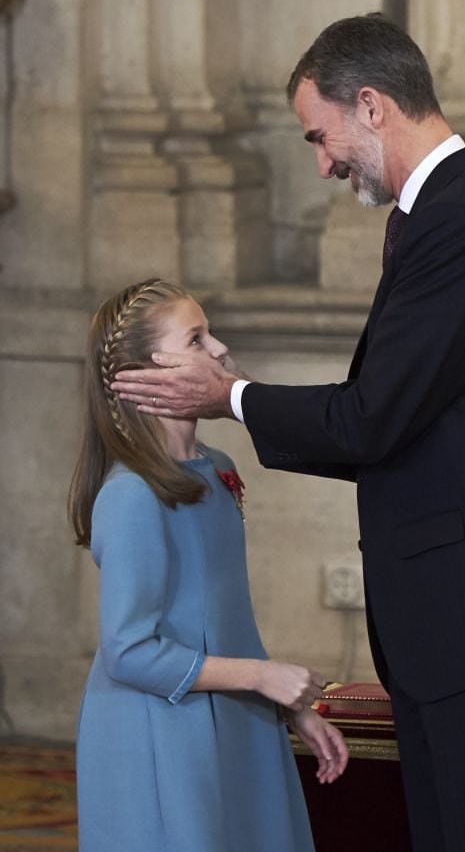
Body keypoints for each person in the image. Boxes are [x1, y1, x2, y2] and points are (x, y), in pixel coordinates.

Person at [112, 15, 465, 852]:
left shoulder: (463, 221)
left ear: (370, 105)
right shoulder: (446, 215)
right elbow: (400, 426)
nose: (321, 161)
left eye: (319, 134)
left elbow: (371, 416)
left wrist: (229, 395)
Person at [69, 278, 347, 852]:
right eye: (197, 338)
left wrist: (287, 705)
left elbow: (225, 617)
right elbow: (129, 650)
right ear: (148, 370)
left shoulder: (215, 467)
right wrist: (262, 677)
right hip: (160, 734)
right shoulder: (131, 497)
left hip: (232, 717)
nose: (219, 349)